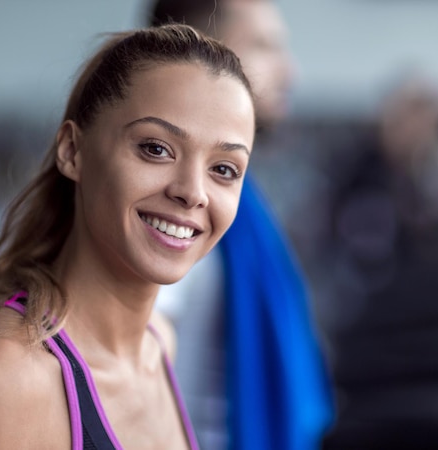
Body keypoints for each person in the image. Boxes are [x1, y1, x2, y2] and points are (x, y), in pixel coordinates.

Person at [0, 23, 256, 450]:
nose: (192, 192)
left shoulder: (160, 345)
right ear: (72, 151)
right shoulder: (0, 372)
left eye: (224, 169)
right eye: (155, 148)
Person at [146, 2, 335, 450]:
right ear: (201, 52)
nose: (291, 72)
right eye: (265, 46)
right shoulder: (175, 211)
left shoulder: (241, 206)